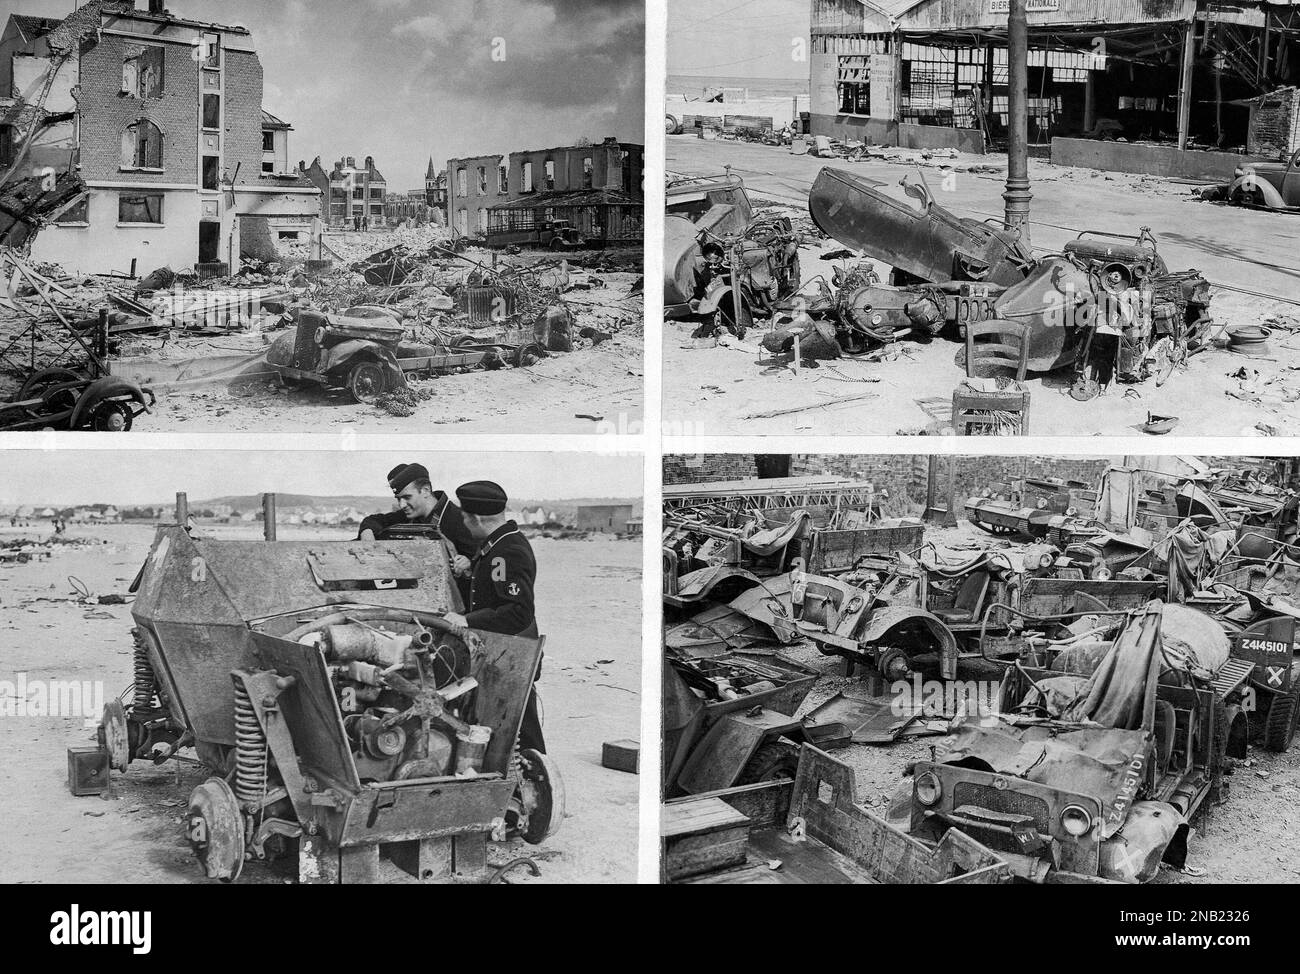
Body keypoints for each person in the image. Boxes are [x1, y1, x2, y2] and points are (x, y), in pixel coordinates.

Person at [443, 480, 545, 753]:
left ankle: (535, 782)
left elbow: (518, 611)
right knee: (507, 724)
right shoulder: (497, 543)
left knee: (522, 728)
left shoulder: (506, 551)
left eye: (464, 518)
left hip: (512, 655)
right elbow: (494, 589)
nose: (463, 524)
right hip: (503, 653)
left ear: (475, 518)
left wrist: (468, 620)